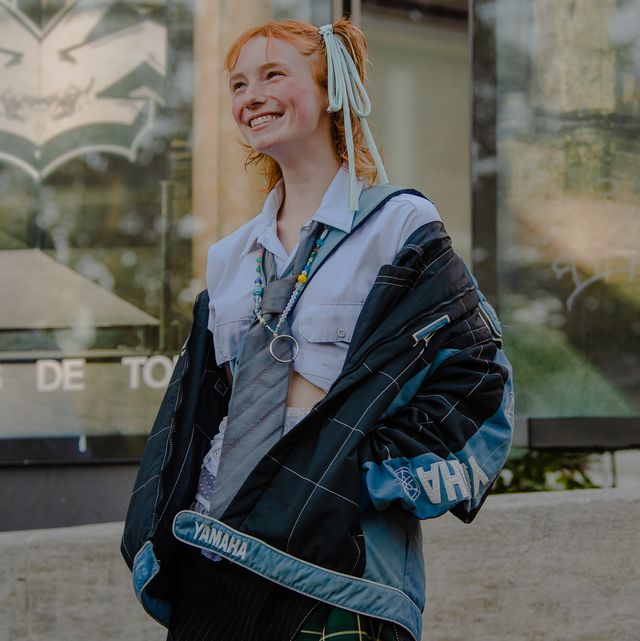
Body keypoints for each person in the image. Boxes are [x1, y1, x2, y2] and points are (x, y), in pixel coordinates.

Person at [121, 17, 514, 641]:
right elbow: (201, 413)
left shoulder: (398, 226)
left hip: (332, 568)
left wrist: (361, 473)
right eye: (239, 83)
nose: (252, 95)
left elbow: (477, 374)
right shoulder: (229, 259)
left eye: (274, 74)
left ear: (335, 91)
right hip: (216, 554)